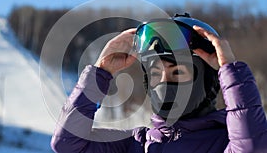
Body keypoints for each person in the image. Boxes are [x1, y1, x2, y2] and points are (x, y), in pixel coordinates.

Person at [51, 13, 267, 153]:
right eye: (155, 73)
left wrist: (229, 69)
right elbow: (67, 145)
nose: (164, 80)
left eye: (177, 72)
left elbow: (252, 148)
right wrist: (101, 72)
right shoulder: (135, 143)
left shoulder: (225, 142)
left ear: (208, 84)